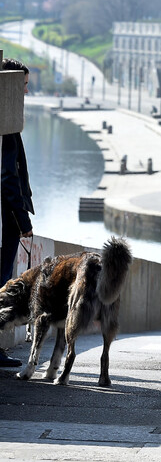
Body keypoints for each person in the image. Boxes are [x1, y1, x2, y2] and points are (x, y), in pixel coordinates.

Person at [0, 58, 34, 368]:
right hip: (5, 224)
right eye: (22, 84)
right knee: (0, 283)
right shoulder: (7, 125)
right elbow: (9, 179)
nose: (26, 90)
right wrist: (24, 223)